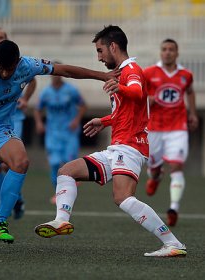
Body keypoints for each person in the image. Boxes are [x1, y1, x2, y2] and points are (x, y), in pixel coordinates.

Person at [0, 39, 118, 252]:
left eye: (10, 68)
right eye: (1, 68)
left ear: (18, 62)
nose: (5, 74)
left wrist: (102, 75)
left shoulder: (28, 65)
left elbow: (65, 70)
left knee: (21, 162)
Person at [34, 25, 187, 257]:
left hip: (131, 146)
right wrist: (103, 121)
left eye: (100, 50)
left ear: (113, 46)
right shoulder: (122, 73)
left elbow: (136, 92)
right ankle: (61, 221)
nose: (99, 57)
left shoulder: (131, 69)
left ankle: (173, 243)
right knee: (67, 171)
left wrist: (121, 87)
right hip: (116, 147)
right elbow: (126, 111)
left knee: (123, 198)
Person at [0, 27, 37, 219]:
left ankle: (7, 204)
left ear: (6, 40)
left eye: (0, 37)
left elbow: (32, 80)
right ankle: (12, 202)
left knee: (8, 163)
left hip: (12, 118)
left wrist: (25, 98)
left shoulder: (16, 61)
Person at [143, 39, 198, 227]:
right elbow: (139, 96)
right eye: (164, 49)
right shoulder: (149, 73)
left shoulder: (185, 75)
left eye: (171, 50)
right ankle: (155, 176)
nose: (167, 52)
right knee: (154, 169)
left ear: (177, 53)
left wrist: (192, 113)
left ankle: (173, 207)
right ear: (160, 52)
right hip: (155, 129)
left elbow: (190, 91)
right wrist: (148, 101)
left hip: (178, 128)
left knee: (176, 166)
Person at [34, 69, 86, 204]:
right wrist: (39, 123)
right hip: (53, 133)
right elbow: (37, 109)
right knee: (55, 163)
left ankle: (73, 184)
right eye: (53, 74)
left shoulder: (71, 90)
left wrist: (76, 120)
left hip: (69, 132)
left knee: (69, 163)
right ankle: (58, 193)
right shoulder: (46, 92)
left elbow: (83, 106)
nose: (55, 77)